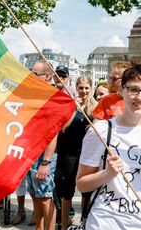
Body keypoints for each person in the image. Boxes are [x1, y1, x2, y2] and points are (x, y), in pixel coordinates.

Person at [76, 62, 141, 229]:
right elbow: (81, 183)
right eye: (133, 90)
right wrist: (107, 173)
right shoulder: (101, 131)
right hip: (106, 222)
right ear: (122, 90)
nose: (140, 98)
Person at [55, 76, 97, 229]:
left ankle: (84, 222)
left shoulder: (96, 106)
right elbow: (63, 128)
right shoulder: (71, 105)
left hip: (88, 154)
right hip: (70, 153)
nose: (84, 91)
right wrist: (73, 110)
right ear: (77, 88)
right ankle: (65, 223)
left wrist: (93, 127)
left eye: (86, 88)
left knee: (87, 191)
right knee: (67, 189)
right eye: (81, 88)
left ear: (91, 88)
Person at [28, 61, 59, 230]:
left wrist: (46, 162)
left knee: (46, 198)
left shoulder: (52, 98)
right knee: (35, 196)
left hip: (43, 157)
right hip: (30, 154)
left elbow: (52, 132)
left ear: (47, 77)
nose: (31, 77)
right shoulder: (34, 96)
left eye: (35, 74)